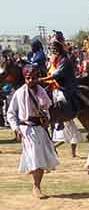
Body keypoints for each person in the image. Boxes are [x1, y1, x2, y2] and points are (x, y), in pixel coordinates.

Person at [5, 64, 59, 198]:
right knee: (35, 156)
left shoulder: (42, 91)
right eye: (28, 78)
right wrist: (15, 128)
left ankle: (37, 185)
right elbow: (11, 113)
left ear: (37, 78)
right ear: (25, 78)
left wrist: (47, 117)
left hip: (40, 128)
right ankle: (36, 187)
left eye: (33, 78)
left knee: (40, 158)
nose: (31, 81)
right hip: (26, 129)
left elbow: (47, 109)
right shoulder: (19, 93)